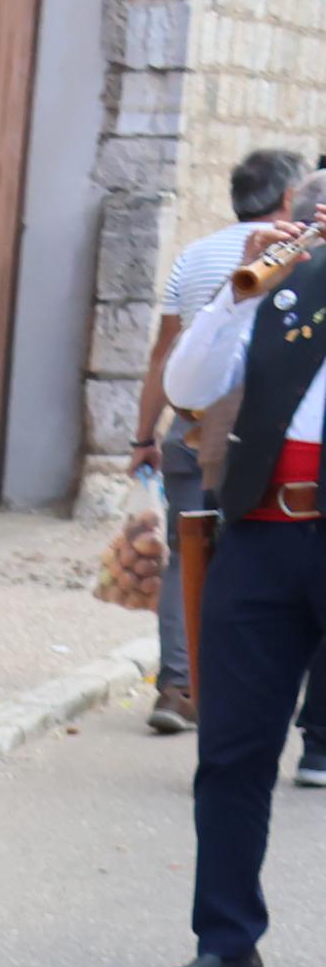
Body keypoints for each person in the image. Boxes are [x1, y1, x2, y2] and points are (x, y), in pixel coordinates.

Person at [145, 203, 326, 967]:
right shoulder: (290, 290)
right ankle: (226, 943)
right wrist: (238, 296)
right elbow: (187, 388)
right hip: (261, 536)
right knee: (230, 752)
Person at [133, 148, 307, 736]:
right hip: (261, 442)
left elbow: (165, 355)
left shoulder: (194, 254)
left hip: (194, 432)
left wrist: (142, 436)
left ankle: (179, 685)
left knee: (192, 554)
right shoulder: (298, 253)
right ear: (288, 199)